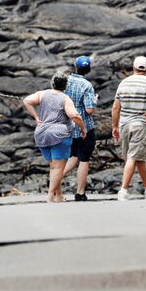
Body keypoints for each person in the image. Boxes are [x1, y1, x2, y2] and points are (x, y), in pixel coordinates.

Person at [23, 70, 87, 203]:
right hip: (59, 134)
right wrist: (83, 128)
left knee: (53, 167)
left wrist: (36, 117)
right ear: (65, 86)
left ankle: (59, 196)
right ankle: (50, 196)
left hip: (41, 134)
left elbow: (27, 100)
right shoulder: (65, 99)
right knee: (58, 168)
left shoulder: (42, 94)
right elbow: (74, 116)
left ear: (52, 83)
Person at [112, 55, 146, 200]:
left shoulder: (123, 83)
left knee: (139, 157)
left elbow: (116, 107)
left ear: (133, 68)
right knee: (133, 157)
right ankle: (123, 191)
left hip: (124, 125)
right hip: (139, 125)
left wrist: (114, 126)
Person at [62, 55, 97, 201]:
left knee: (73, 156)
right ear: (88, 69)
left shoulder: (65, 81)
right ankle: (80, 192)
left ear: (75, 66)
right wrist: (94, 101)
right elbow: (89, 110)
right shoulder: (87, 85)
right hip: (85, 128)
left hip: (68, 125)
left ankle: (55, 177)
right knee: (84, 159)